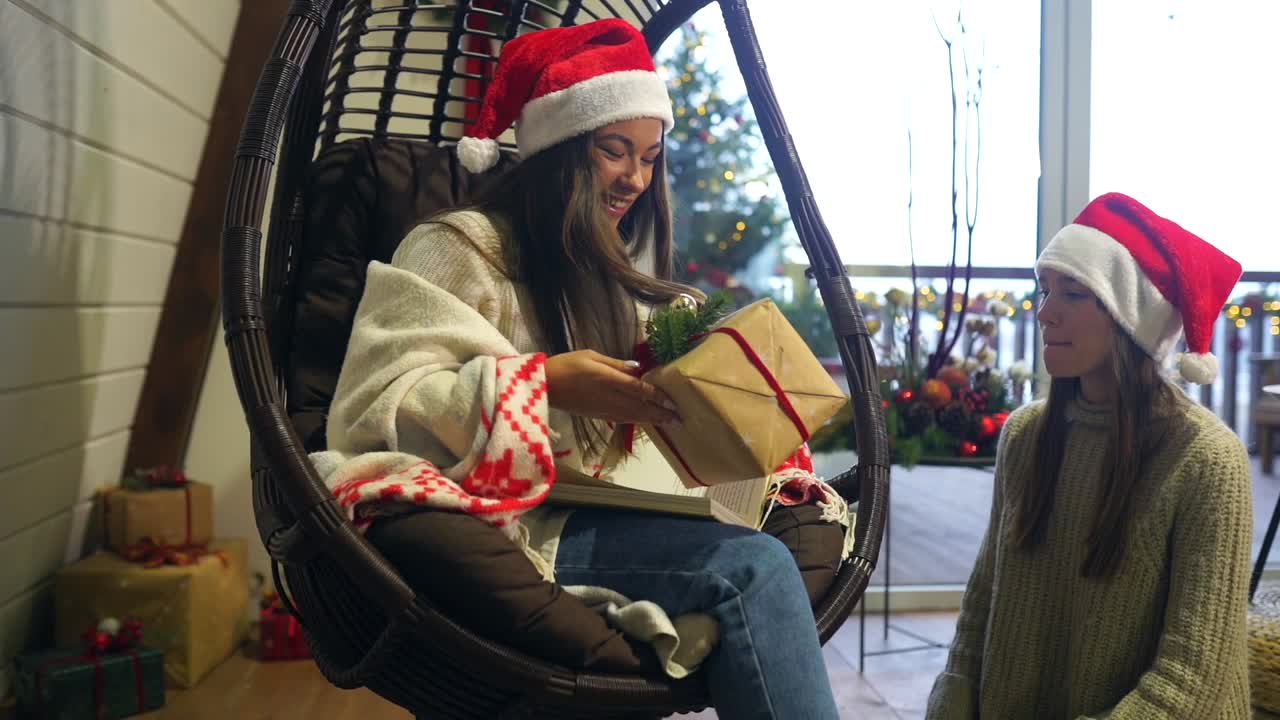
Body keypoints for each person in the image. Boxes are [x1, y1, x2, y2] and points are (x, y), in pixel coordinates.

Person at [309, 19, 844, 720]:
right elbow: (378, 408)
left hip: (609, 506)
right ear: (560, 150)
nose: (635, 178)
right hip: (514, 529)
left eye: (651, 157)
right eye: (614, 150)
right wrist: (546, 384)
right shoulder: (454, 249)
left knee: (763, 535)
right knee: (755, 571)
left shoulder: (614, 276)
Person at [926, 192, 1252, 719]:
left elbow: (1194, 673)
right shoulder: (1026, 435)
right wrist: (954, 697)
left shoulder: (1206, 460)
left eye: (1074, 294)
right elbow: (986, 593)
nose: (1045, 313)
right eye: (1045, 290)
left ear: (1131, 319)